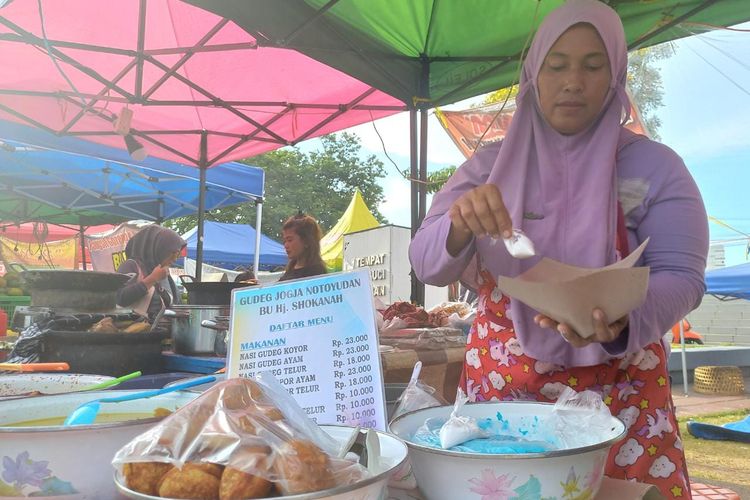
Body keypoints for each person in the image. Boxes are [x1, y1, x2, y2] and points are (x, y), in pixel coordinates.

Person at [408, 1, 708, 497]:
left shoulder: (654, 167)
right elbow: (426, 261)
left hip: (623, 388)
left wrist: (622, 320)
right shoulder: (487, 168)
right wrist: (459, 226)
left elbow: (682, 274)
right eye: (558, 64)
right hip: (502, 392)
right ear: (534, 74)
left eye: (594, 66)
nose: (574, 81)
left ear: (616, 75)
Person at [116, 225, 187, 320]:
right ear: (159, 248)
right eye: (173, 253)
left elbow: (176, 304)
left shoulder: (164, 274)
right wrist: (152, 279)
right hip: (133, 332)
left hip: (162, 332)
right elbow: (120, 298)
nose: (175, 259)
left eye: (178, 255)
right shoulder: (131, 266)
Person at [278, 213, 327, 282]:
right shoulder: (290, 269)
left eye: (289, 240)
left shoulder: (316, 272)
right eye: (284, 241)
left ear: (306, 241)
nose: (285, 245)